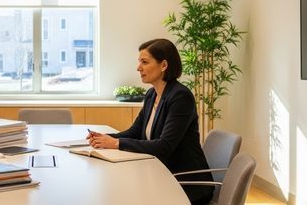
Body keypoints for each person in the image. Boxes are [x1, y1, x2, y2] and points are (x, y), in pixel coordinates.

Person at [87, 38, 215, 204]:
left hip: (185, 184)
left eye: (145, 62)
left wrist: (116, 143)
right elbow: (135, 132)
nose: (138, 68)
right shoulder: (151, 95)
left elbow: (164, 146)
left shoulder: (180, 97)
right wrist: (104, 138)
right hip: (162, 175)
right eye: (139, 62)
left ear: (163, 65)